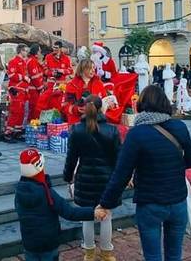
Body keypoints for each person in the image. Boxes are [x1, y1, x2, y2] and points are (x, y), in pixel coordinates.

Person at [96, 85, 191, 261]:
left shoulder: (137, 133)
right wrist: (172, 167)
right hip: (177, 199)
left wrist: (105, 203)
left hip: (150, 202)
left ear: (142, 105)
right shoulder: (179, 126)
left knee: (152, 256)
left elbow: (121, 173)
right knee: (174, 254)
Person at [63, 95, 121, 261]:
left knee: (87, 217)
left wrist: (68, 177)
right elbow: (119, 158)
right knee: (106, 216)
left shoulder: (77, 130)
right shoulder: (111, 130)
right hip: (106, 179)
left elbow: (71, 158)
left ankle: (89, 253)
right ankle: (106, 253)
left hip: (84, 178)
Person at [15, 148, 96, 261]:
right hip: (48, 242)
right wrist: (93, 212)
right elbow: (69, 212)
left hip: (29, 243)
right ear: (39, 166)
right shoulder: (46, 192)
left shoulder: (19, 191)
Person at [62, 59, 106, 125]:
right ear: (83, 69)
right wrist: (76, 109)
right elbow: (65, 105)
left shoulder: (99, 83)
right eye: (90, 68)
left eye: (94, 68)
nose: (93, 70)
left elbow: (104, 99)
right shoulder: (72, 85)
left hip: (96, 119)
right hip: (78, 120)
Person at [5, 44, 30, 142]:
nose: (26, 53)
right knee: (15, 111)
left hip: (22, 90)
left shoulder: (23, 62)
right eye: (25, 51)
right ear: (20, 51)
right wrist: (23, 77)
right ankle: (8, 133)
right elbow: (11, 75)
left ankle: (17, 132)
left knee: (21, 112)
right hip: (16, 90)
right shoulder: (13, 61)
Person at [26, 44, 45, 121]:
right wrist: (41, 88)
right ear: (36, 53)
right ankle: (32, 126)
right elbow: (35, 78)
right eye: (40, 51)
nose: (41, 53)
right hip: (33, 90)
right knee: (34, 109)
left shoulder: (34, 61)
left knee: (34, 109)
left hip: (35, 90)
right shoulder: (32, 62)